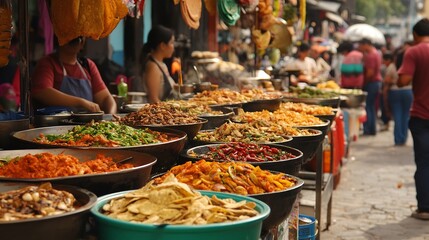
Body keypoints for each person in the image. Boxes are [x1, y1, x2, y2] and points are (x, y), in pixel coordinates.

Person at [31, 37, 116, 113]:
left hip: (87, 127)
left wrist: (112, 117)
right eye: (70, 36)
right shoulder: (48, 63)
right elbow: (42, 92)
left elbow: (105, 98)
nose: (75, 40)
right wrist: (80, 102)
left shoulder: (88, 66)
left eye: (79, 38)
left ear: (82, 43)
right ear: (59, 38)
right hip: (56, 127)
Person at [397, 18, 429, 220]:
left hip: (422, 116)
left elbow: (403, 81)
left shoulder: (415, 51)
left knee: (424, 163)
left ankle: (425, 208)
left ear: (415, 34)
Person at [139, 25, 175, 103]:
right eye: (172, 43)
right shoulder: (153, 67)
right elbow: (153, 100)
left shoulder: (162, 64)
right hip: (159, 112)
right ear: (162, 46)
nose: (173, 47)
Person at [382, 52, 412, 145]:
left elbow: (386, 80)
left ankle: (398, 138)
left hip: (395, 92)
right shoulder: (410, 66)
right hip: (408, 91)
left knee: (397, 115)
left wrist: (395, 81)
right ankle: (404, 138)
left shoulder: (392, 66)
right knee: (406, 115)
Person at [359, 38, 382, 135]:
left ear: (366, 44)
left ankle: (368, 129)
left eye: (361, 45)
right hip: (375, 83)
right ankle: (371, 129)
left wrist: (364, 83)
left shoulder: (371, 55)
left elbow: (370, 73)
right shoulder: (375, 53)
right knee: (371, 106)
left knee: (368, 106)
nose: (360, 47)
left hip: (371, 83)